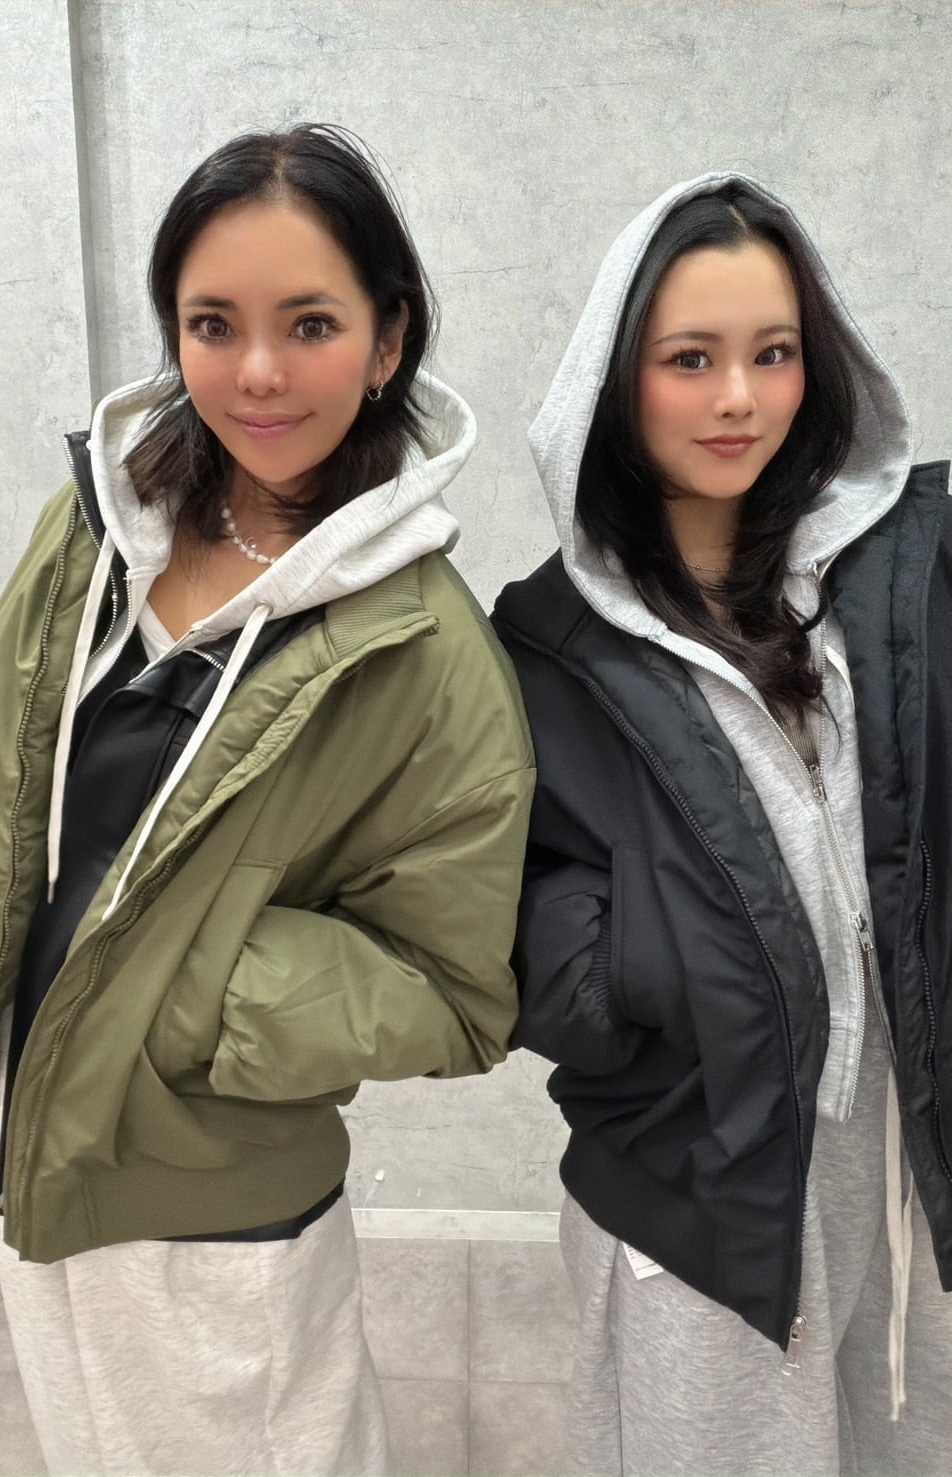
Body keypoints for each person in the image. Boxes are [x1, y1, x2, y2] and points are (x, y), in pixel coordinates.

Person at [0, 124, 534, 1477]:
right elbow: (16, 733)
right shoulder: (101, 525)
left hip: (213, 1202)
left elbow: (459, 993)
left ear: (388, 341)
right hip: (22, 1128)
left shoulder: (429, 657)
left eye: (311, 323)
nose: (258, 371)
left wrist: (189, 996)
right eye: (214, 324)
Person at [493, 173, 951, 1477]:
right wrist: (647, 968)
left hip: (901, 1153)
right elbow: (503, 913)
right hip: (703, 1180)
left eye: (774, 353)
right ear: (616, 381)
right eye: (690, 359)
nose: (740, 397)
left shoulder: (898, 572)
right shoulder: (546, 643)